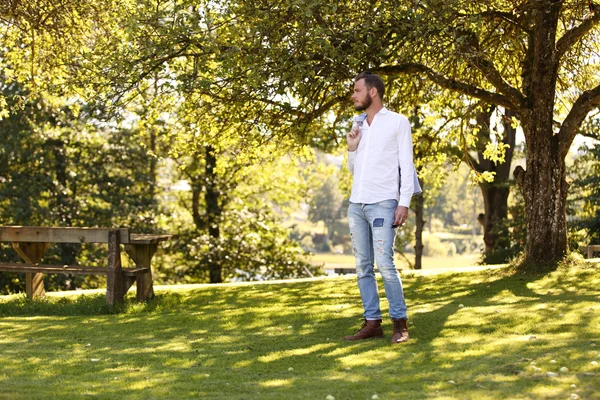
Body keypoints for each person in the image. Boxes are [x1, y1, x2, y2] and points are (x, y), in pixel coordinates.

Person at [344, 72, 420, 344]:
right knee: (363, 266)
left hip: (384, 203)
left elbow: (406, 166)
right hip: (357, 204)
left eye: (356, 90)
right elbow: (354, 169)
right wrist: (352, 148)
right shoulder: (358, 125)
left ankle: (400, 324)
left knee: (385, 264)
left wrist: (404, 203)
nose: (353, 95)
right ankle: (372, 322)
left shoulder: (398, 122)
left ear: (372, 92)